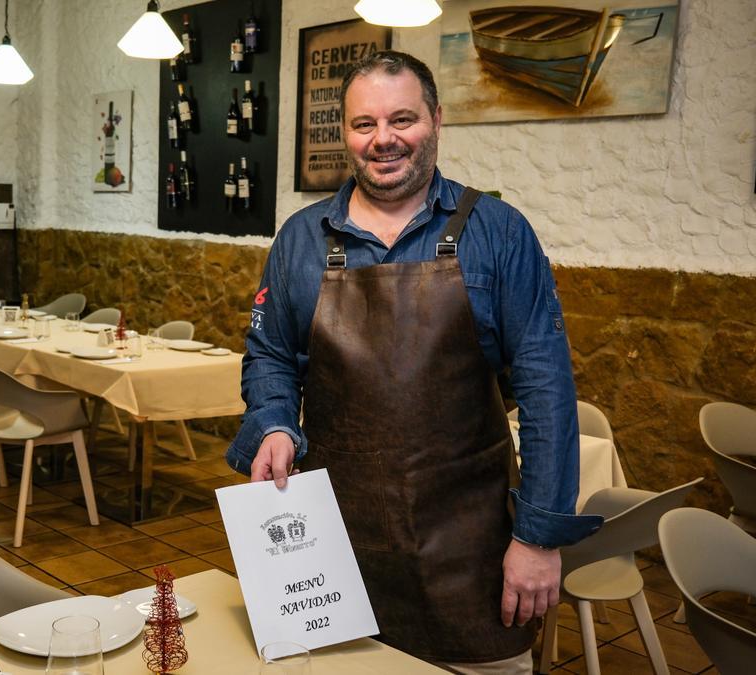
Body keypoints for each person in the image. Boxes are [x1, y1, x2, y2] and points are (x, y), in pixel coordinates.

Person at [227, 51, 603, 673]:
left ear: (436, 121)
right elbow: (270, 353)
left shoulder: (498, 233)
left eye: (402, 119)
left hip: (468, 548)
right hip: (332, 544)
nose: (383, 140)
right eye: (363, 124)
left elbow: (547, 393)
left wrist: (537, 537)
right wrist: (271, 420)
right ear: (345, 133)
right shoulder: (300, 238)